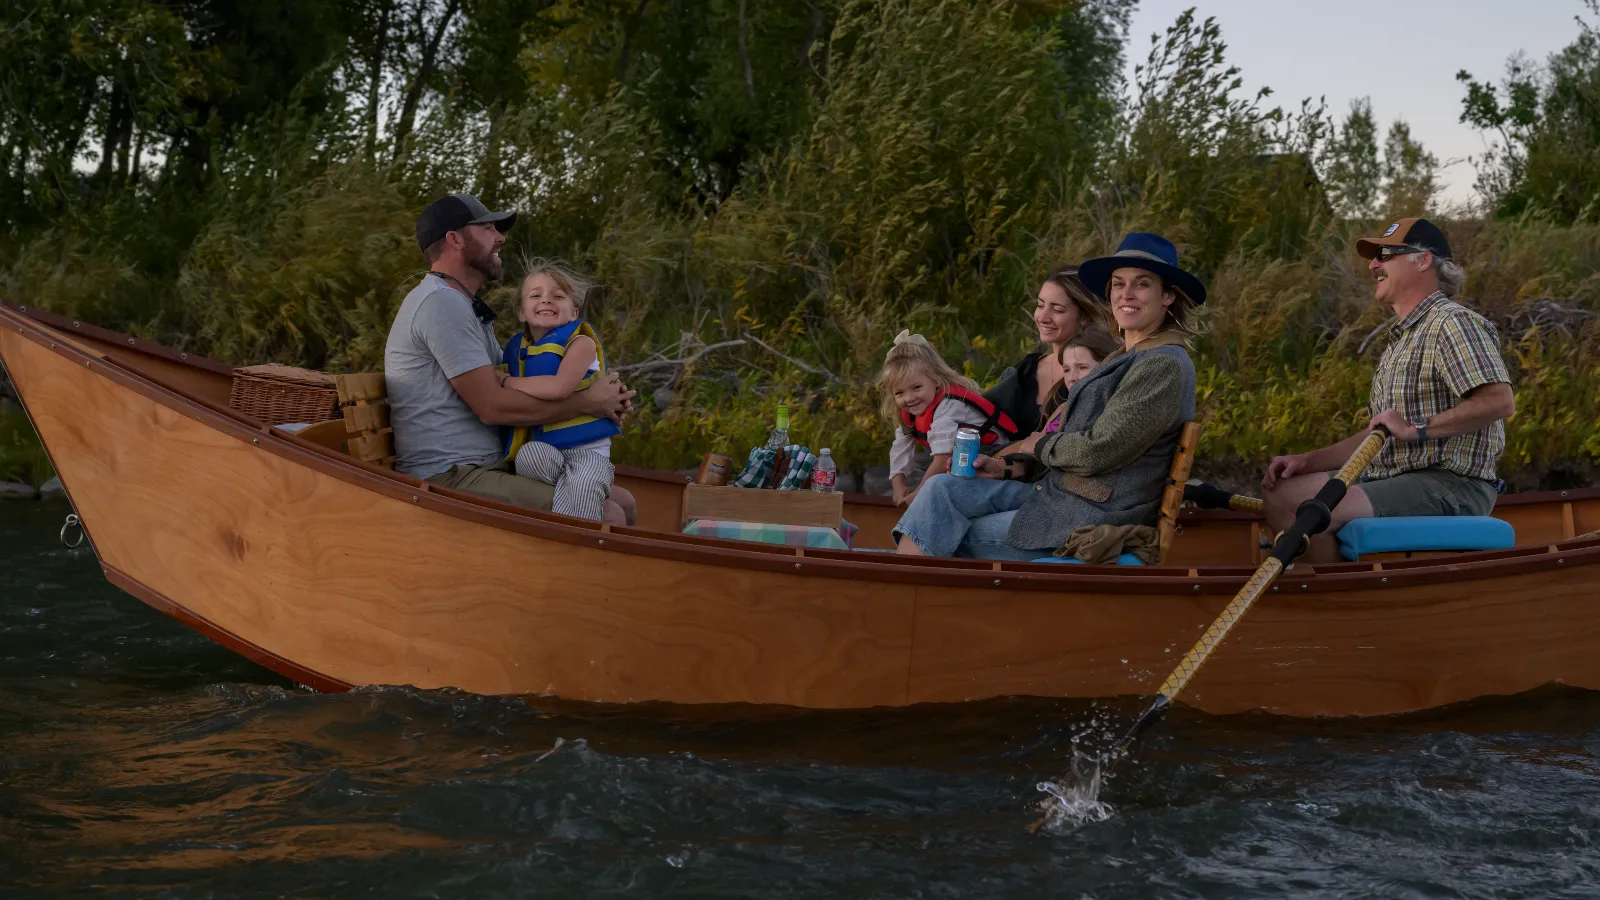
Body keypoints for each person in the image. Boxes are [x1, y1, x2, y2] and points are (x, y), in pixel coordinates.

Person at [893, 233, 1202, 560]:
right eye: (1118, 284)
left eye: (1141, 284)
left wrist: (1037, 445)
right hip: (1057, 495)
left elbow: (1098, 450)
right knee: (940, 490)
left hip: (1089, 512)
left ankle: (899, 594)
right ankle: (902, 586)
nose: (1125, 294)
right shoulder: (1125, 356)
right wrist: (1003, 468)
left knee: (949, 528)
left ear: (1167, 295)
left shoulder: (1161, 367)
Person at [1261, 218, 1514, 562]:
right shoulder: (1401, 340)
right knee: (1282, 489)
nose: (1373, 264)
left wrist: (1414, 430)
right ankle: (1333, 589)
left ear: (1422, 260)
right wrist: (1308, 461)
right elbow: (1379, 437)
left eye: (1384, 254)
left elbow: (1498, 401)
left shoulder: (1452, 322)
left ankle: (1326, 600)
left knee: (1300, 504)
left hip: (1449, 485)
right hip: (1393, 477)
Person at [385, 192, 638, 524]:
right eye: (488, 228)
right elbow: (493, 407)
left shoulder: (465, 308)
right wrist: (587, 403)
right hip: (450, 475)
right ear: (454, 239)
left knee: (626, 501)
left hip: (484, 465)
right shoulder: (440, 304)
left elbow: (518, 387)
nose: (500, 238)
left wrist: (604, 396)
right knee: (609, 514)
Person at [500, 260, 621, 521]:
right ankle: (571, 505)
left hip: (588, 451)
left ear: (573, 312)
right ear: (522, 312)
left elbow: (558, 388)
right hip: (547, 450)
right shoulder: (517, 351)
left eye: (557, 296)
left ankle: (575, 541)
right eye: (536, 295)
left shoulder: (581, 343)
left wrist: (507, 381)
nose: (546, 301)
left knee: (584, 482)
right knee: (527, 457)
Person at [878, 330, 1019, 507]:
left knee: (931, 485)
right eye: (900, 392)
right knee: (921, 467)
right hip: (960, 455)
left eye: (916, 387)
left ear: (936, 381)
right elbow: (901, 449)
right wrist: (898, 487)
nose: (909, 398)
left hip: (994, 454)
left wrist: (918, 493)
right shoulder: (910, 413)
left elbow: (943, 457)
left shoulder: (949, 406)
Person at [984, 265, 1113, 436]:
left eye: (1057, 309)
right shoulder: (1023, 372)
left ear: (1084, 317)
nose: (1042, 318)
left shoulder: (1098, 370)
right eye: (1040, 305)